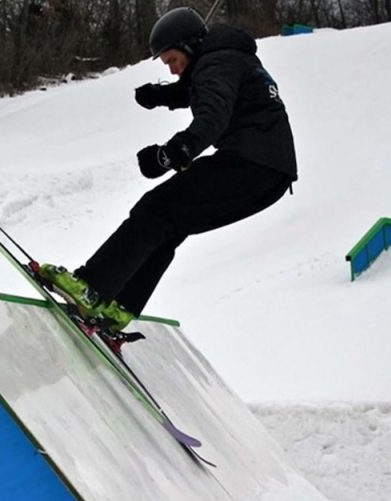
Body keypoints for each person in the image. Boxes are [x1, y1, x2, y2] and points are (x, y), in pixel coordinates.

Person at [39, 6, 298, 332]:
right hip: (269, 175)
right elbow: (203, 88)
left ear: (190, 47)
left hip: (248, 164)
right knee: (170, 225)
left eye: (173, 61)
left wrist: (171, 154)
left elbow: (212, 116)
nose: (173, 70)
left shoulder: (215, 63)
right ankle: (120, 309)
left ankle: (91, 288)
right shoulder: (228, 58)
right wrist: (161, 95)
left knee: (154, 210)